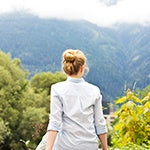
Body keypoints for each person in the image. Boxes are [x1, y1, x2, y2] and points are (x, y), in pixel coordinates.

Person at [36, 49, 108, 150]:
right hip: (89, 146)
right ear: (82, 68)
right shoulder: (94, 91)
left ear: (66, 68)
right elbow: (100, 124)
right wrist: (105, 148)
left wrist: (48, 149)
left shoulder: (57, 89)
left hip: (65, 146)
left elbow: (55, 123)